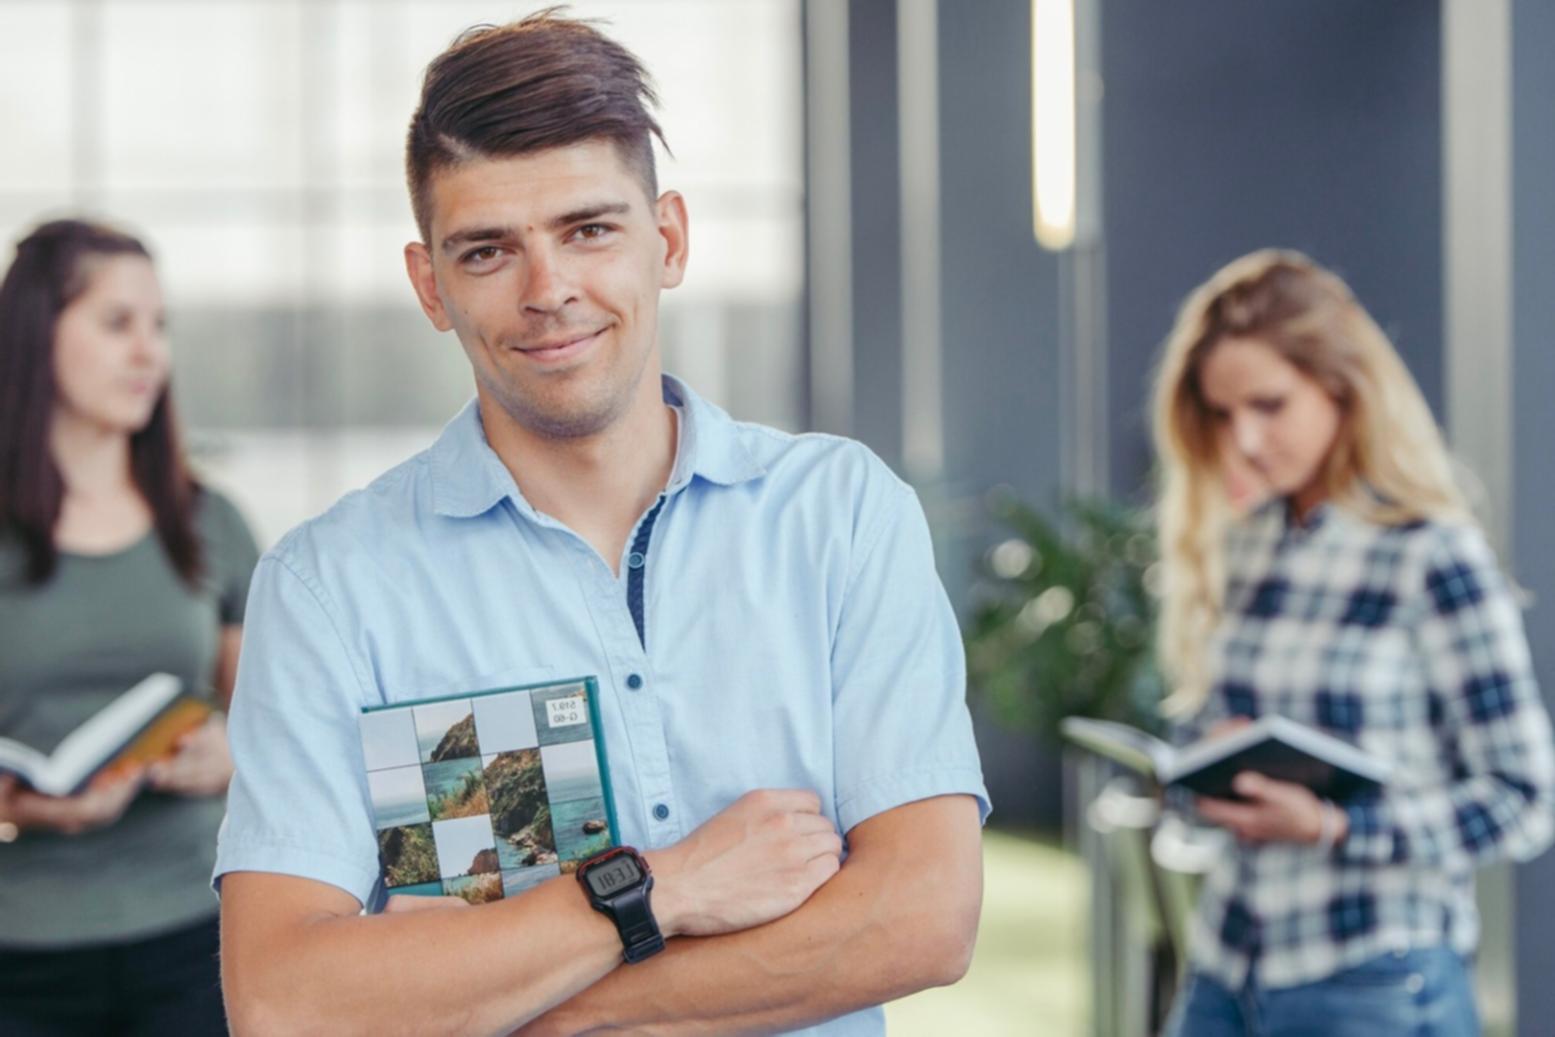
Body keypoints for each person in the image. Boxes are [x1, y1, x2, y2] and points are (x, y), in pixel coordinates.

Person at [215, 13, 989, 1036]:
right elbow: (285, 1000)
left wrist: (556, 1007)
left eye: (588, 229)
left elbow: (922, 917)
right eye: (488, 250)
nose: (550, 292)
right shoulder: (332, 586)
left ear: (665, 239)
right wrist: (653, 890)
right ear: (429, 286)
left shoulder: (839, 517)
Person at [1151, 249, 1555, 1036]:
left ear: (1343, 388)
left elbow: (1525, 798)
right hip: (1228, 965)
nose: (1245, 440)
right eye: (1222, 414)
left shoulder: (1430, 555)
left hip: (1371, 978)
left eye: (1269, 405)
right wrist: (1208, 765)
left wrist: (1337, 826)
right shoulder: (1246, 542)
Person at [0, 218, 260, 1034]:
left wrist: (227, 751)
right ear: (37, 335)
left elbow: (272, 719)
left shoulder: (208, 520)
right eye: (117, 324)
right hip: (19, 952)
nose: (149, 352)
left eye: (159, 326)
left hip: (192, 935)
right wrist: (16, 805)